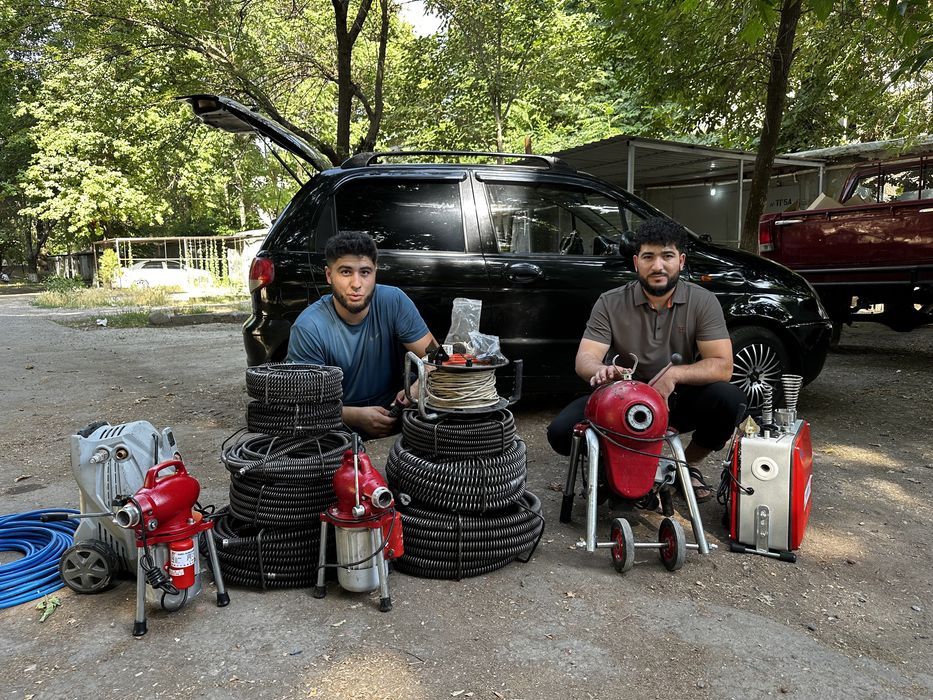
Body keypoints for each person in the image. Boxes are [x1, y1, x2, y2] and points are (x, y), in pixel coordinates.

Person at [546, 217, 747, 502]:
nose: (657, 266)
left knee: (730, 400)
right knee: (561, 433)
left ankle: (684, 466)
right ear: (636, 262)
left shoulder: (703, 301)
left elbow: (723, 366)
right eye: (648, 257)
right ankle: (614, 466)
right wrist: (603, 370)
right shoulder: (610, 301)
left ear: (681, 261)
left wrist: (674, 374)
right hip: (621, 398)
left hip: (675, 398)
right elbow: (585, 360)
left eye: (667, 256)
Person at [286, 231, 438, 439]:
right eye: (346, 272)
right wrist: (356, 417)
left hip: (399, 422)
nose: (356, 283)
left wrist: (416, 387)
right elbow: (301, 407)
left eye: (365, 272)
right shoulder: (308, 327)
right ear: (329, 275)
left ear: (375, 273)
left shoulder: (394, 301)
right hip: (336, 433)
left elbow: (437, 358)